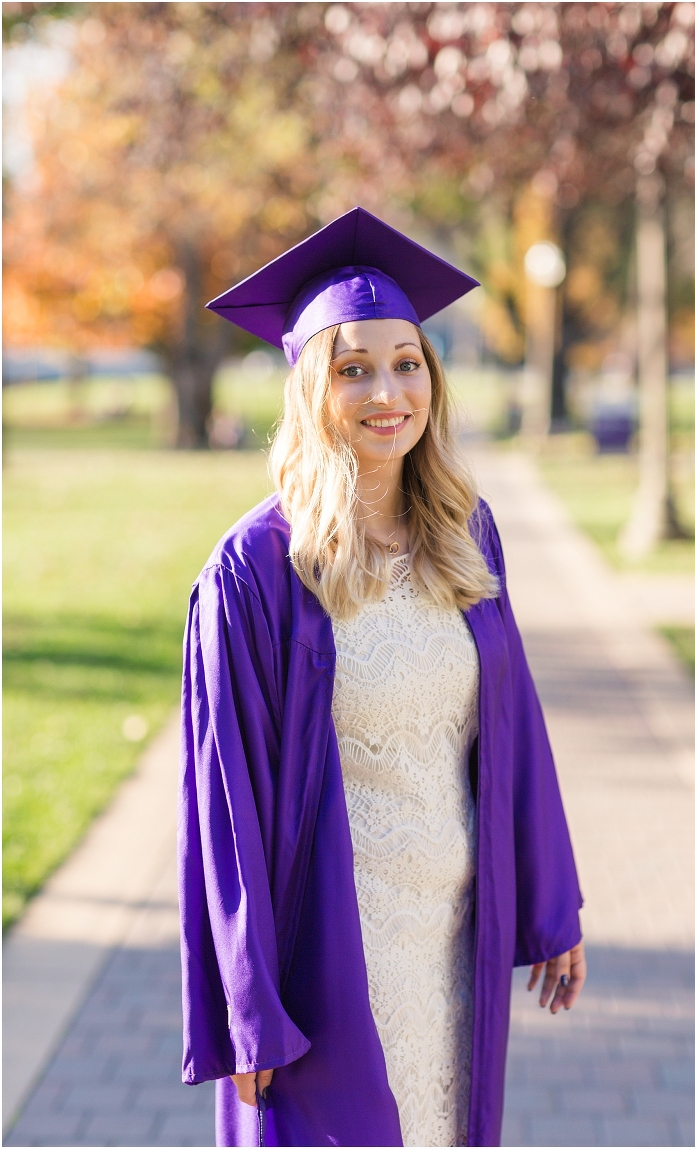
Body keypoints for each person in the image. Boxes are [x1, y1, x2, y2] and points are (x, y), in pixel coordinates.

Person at [178, 207, 585, 1149]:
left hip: (454, 937)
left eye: (407, 362)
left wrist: (550, 898)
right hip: (331, 954)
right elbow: (223, 805)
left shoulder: (464, 534)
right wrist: (248, 1009)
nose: (387, 391)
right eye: (353, 368)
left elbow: (510, 721)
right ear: (312, 388)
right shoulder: (257, 570)